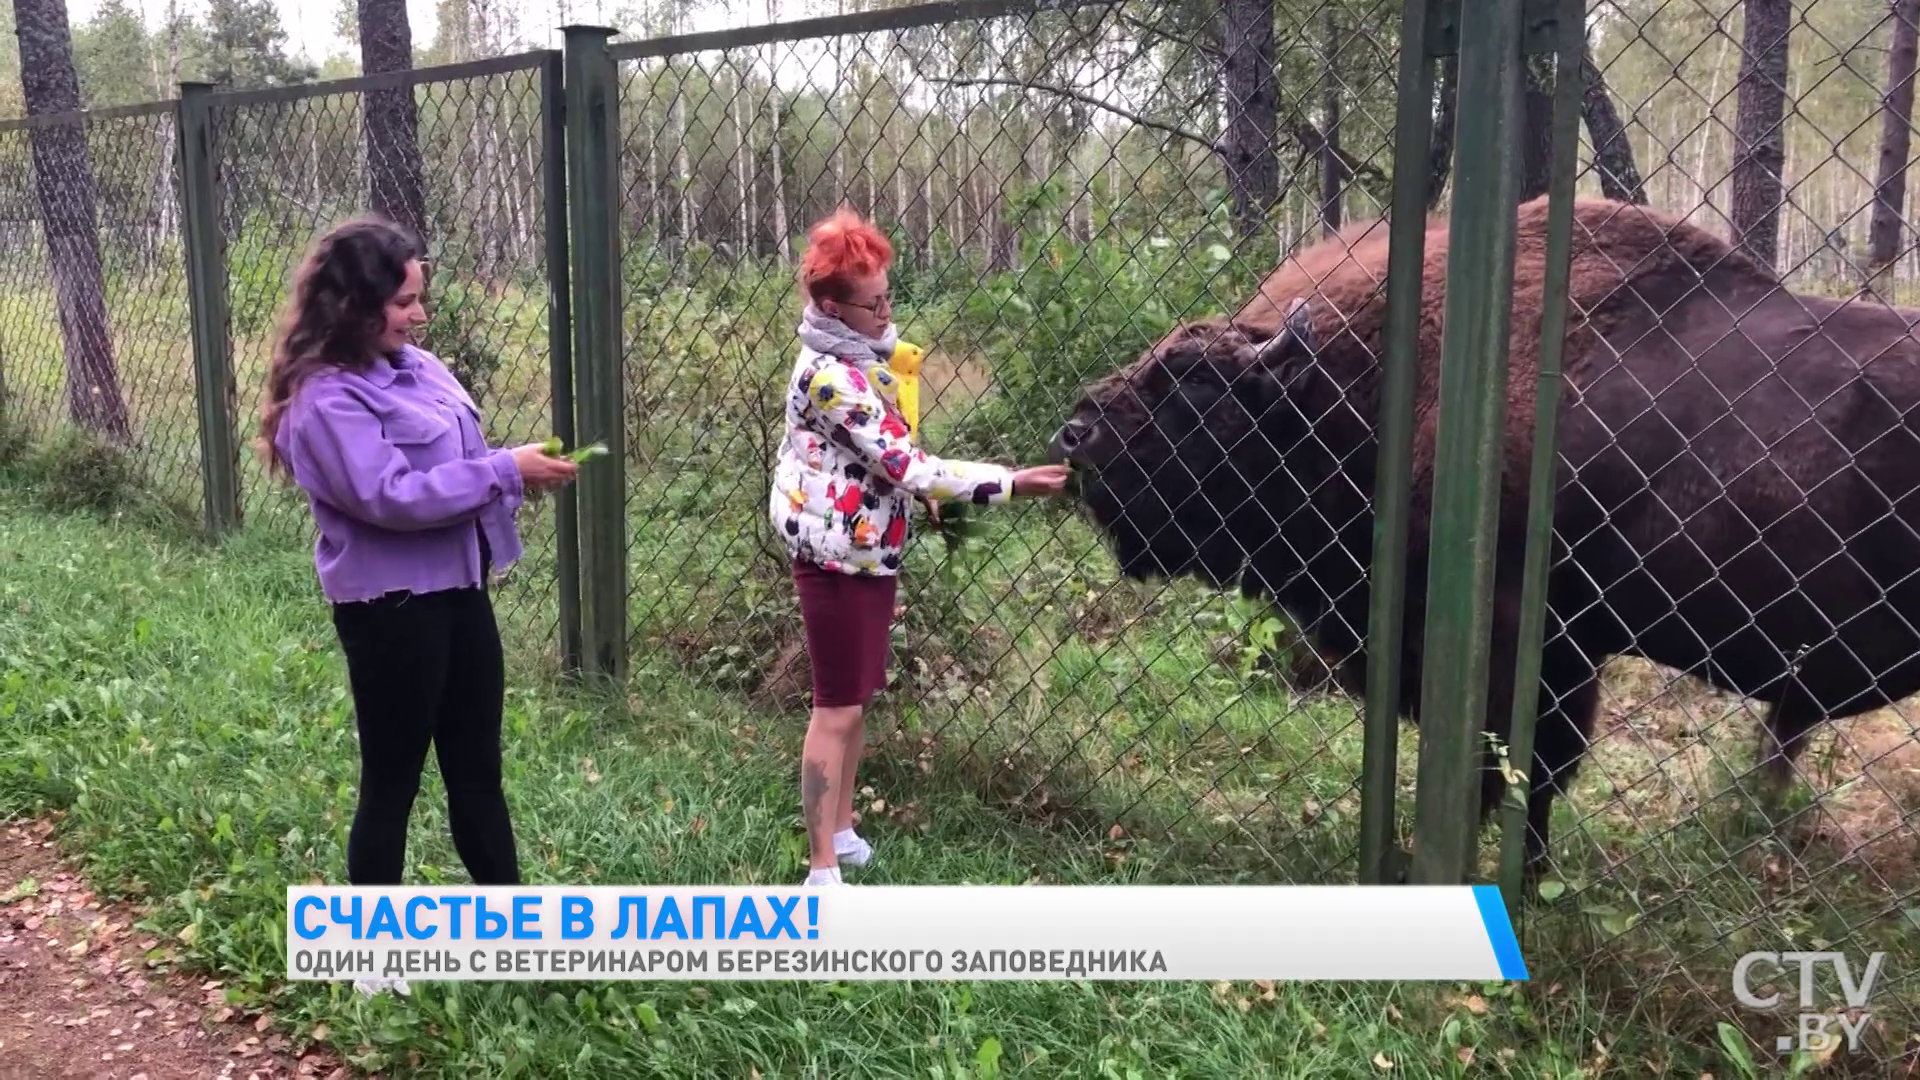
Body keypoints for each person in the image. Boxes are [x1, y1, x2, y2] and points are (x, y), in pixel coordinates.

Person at [256, 216, 578, 989]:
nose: (419, 315)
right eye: (404, 301)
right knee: (392, 779)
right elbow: (389, 496)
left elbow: (459, 463)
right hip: (392, 610)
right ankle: (371, 958)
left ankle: (515, 937)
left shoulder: (420, 365)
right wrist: (504, 472)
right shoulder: (323, 402)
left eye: (418, 299)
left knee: (477, 773)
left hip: (461, 594)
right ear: (354, 306)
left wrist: (508, 476)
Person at [769, 207, 1071, 887]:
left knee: (859, 694)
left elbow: (886, 459)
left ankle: (842, 830)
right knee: (835, 704)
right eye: (873, 303)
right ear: (830, 305)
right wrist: (1012, 483)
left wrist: (920, 494)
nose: (886, 312)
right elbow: (906, 464)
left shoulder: (862, 355)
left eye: (888, 296)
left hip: (870, 549)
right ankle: (821, 869)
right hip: (836, 556)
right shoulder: (830, 375)